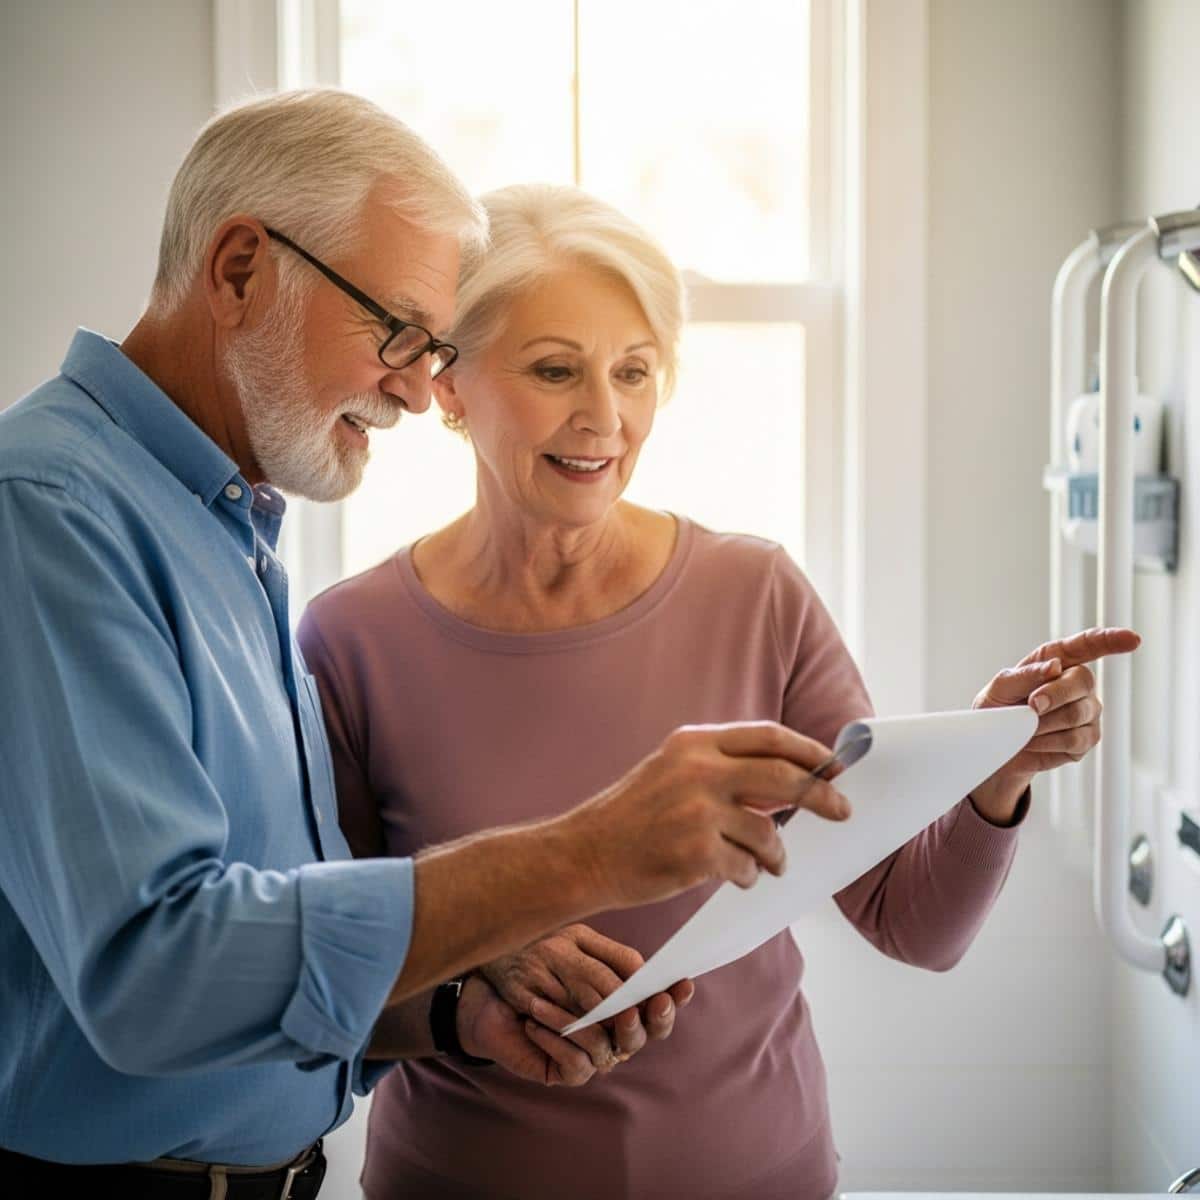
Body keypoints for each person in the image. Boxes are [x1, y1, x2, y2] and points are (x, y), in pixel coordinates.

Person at [0, 93, 850, 1198]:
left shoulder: (224, 526)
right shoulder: (53, 512)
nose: (411, 386)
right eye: (394, 328)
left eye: (433, 345)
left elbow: (271, 939)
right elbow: (154, 974)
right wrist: (583, 853)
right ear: (242, 269)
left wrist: (452, 1009)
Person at [297, 183, 1140, 1200]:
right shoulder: (352, 639)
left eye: (635, 372)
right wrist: (474, 970)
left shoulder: (757, 595)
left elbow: (914, 924)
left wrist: (992, 771)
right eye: (555, 369)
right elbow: (325, 985)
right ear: (450, 386)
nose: (604, 417)